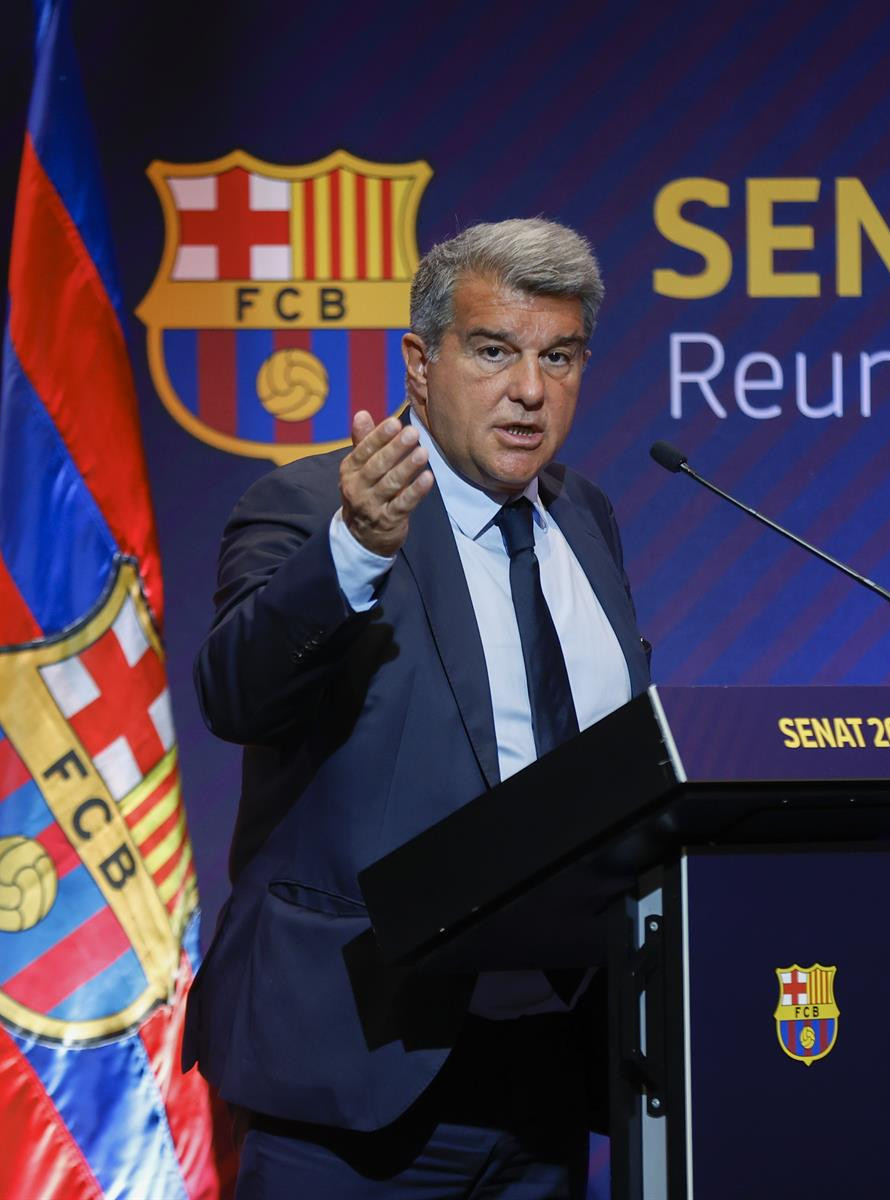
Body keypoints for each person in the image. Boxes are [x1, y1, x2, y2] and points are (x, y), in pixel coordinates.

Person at [187, 218, 650, 1197]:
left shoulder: (586, 517)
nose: (529, 388)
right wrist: (355, 548)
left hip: (550, 1073)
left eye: (557, 355)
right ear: (420, 363)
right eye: (494, 350)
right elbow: (237, 691)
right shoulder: (315, 506)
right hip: (355, 1071)